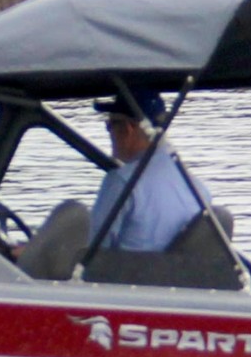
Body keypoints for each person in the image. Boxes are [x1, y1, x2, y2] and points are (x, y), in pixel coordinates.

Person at [88, 92, 211, 252]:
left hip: (125, 275)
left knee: (71, 215)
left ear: (128, 129)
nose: (109, 133)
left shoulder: (120, 181)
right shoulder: (198, 188)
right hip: (178, 274)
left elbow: (94, 252)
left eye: (110, 125)